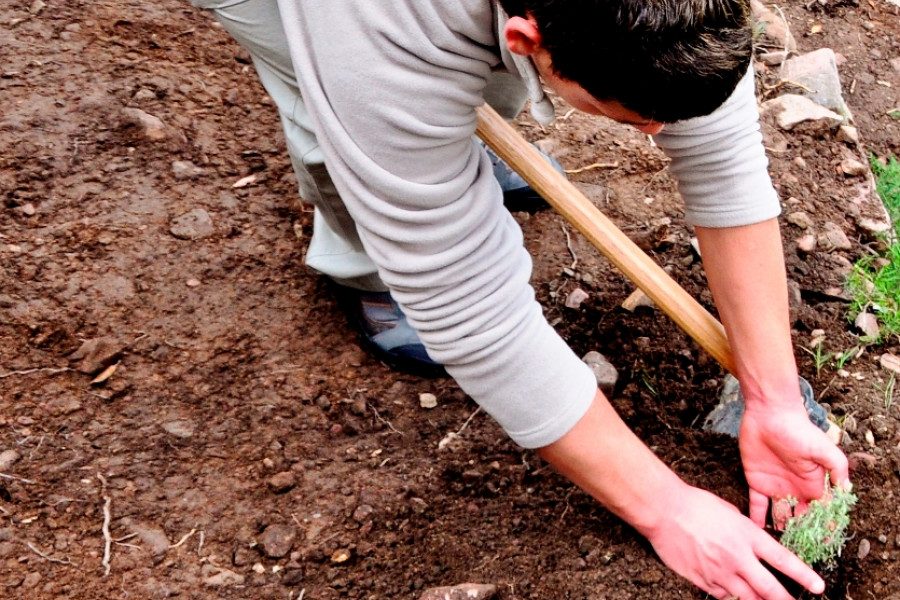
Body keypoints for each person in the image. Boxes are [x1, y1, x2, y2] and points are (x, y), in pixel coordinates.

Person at [189, 1, 851, 598]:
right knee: (334, 115)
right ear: (525, 34)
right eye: (631, 117)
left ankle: (441, 147)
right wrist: (668, 509)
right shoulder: (381, 37)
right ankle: (369, 260)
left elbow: (722, 157)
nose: (654, 132)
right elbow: (471, 311)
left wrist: (775, 397)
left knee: (472, 93)